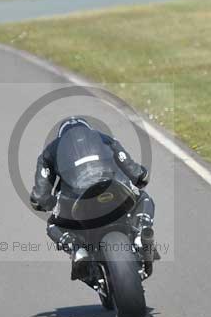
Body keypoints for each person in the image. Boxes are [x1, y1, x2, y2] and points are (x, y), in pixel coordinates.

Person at [30, 117, 158, 282]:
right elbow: (135, 172)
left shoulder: (49, 152)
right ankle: (142, 232)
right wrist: (141, 176)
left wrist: (47, 203)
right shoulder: (105, 138)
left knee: (53, 224)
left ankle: (78, 250)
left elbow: (41, 197)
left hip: (79, 200)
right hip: (113, 188)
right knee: (143, 198)